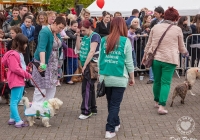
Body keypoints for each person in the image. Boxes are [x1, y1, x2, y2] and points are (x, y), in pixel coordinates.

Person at [141, 7, 189, 115]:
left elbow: (148, 44)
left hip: (156, 59)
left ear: (165, 16)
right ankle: (162, 106)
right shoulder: (177, 29)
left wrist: (145, 55)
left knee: (157, 81)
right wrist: (186, 53)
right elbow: (181, 47)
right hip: (170, 59)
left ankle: (157, 101)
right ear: (176, 18)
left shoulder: (155, 27)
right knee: (166, 83)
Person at [98, 17, 135, 139]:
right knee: (115, 104)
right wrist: (132, 77)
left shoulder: (103, 40)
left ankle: (116, 122)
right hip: (120, 77)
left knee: (111, 103)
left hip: (105, 77)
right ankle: (110, 129)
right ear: (123, 26)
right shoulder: (126, 41)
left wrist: (100, 75)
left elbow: (99, 60)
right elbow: (129, 62)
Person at [32, 16, 66, 104]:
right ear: (54, 23)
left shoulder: (56, 32)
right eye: (60, 27)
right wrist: (42, 64)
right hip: (43, 61)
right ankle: (37, 109)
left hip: (53, 63)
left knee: (52, 85)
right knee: (41, 86)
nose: (61, 30)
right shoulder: (45, 32)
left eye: (62, 29)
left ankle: (47, 107)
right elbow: (41, 48)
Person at [2, 33, 31, 127]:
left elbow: (19, 67)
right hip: (16, 80)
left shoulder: (18, 54)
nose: (26, 45)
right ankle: (18, 121)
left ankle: (12, 118)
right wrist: (26, 74)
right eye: (24, 43)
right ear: (19, 43)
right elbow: (15, 69)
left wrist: (26, 70)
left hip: (19, 79)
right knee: (14, 101)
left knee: (17, 100)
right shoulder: (14, 55)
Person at [76, 19, 101, 120]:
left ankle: (86, 110)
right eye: (81, 30)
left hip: (91, 64)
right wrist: (78, 35)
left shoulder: (95, 36)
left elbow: (92, 51)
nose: (82, 32)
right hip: (86, 63)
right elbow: (78, 48)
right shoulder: (86, 37)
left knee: (86, 88)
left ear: (89, 27)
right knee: (89, 88)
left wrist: (85, 65)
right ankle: (93, 108)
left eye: (83, 30)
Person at [147, 6, 165, 84]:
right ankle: (152, 78)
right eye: (154, 13)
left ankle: (160, 77)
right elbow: (151, 32)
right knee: (152, 60)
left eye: (156, 13)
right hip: (154, 44)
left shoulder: (166, 22)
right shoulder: (154, 21)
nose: (154, 15)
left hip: (163, 44)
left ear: (161, 14)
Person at [65, 20, 79, 84]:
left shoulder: (76, 31)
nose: (76, 27)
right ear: (71, 26)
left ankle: (70, 78)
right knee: (70, 65)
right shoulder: (68, 31)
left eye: (77, 26)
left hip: (75, 49)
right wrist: (76, 35)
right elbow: (73, 37)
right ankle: (68, 79)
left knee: (75, 65)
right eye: (74, 26)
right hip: (70, 49)